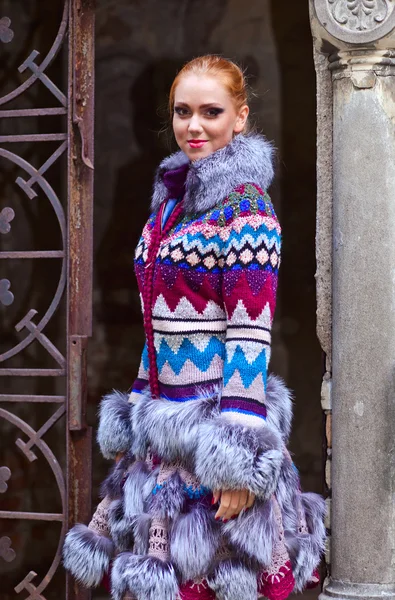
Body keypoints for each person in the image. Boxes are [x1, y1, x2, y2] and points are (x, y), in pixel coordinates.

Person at [63, 55, 325, 600]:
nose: (194, 126)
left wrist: (235, 460)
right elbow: (158, 323)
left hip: (214, 436)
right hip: (161, 439)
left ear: (241, 117)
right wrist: (136, 407)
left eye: (212, 111)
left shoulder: (247, 210)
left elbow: (250, 333)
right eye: (183, 112)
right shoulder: (171, 206)